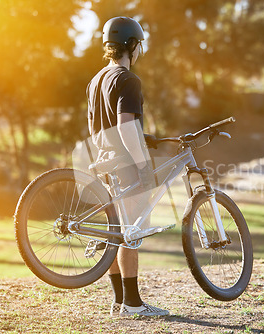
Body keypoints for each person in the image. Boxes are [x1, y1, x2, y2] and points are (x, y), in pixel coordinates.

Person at [86, 16, 168, 317]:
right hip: (125, 166)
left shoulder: (96, 80)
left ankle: (120, 301)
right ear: (131, 45)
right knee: (132, 232)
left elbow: (97, 129)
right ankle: (133, 303)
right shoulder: (128, 79)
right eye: (139, 45)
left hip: (104, 163)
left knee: (118, 233)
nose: (140, 51)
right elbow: (124, 126)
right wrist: (143, 164)